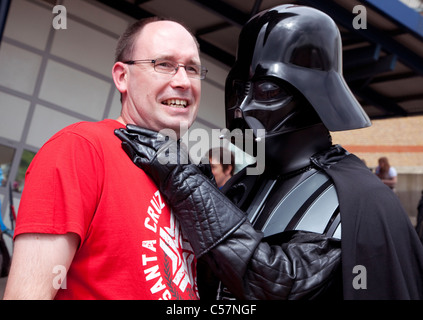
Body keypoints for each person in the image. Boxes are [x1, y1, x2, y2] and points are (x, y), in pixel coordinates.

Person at [116, 5, 423, 300]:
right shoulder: (248, 180)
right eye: (239, 90)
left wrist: (184, 183)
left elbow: (277, 284)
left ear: (314, 97)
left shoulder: (360, 198)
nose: (242, 107)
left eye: (266, 91)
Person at [4, 17, 205, 299]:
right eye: (164, 65)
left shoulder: (189, 180)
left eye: (192, 69)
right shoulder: (81, 149)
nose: (183, 81)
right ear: (123, 77)